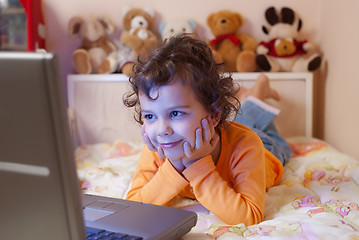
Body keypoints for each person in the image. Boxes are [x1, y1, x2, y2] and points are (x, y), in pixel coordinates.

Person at [123, 34, 288, 226]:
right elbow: (132, 209)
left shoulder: (247, 145)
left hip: (267, 149)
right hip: (226, 129)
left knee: (259, 132)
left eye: (176, 113)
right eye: (150, 116)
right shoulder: (160, 145)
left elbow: (249, 217)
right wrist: (175, 165)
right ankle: (255, 97)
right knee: (242, 117)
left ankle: (257, 95)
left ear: (215, 114)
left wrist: (197, 164)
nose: (162, 130)